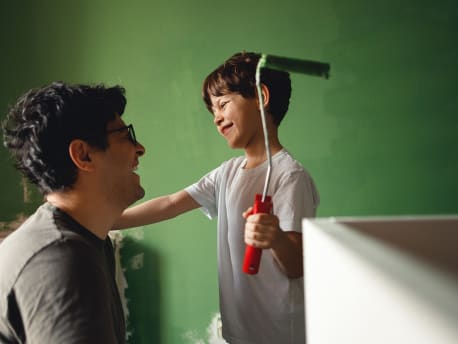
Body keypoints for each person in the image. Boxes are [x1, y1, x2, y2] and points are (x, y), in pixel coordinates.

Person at [115, 52, 319, 343]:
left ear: (261, 97)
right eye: (212, 110)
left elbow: (298, 264)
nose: (216, 117)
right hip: (239, 335)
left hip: (280, 335)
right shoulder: (228, 173)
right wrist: (106, 220)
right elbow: (171, 204)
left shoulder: (290, 176)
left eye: (223, 104)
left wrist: (275, 238)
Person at [0, 81, 146, 343]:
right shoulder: (60, 258)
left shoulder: (88, 241)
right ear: (84, 155)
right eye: (126, 136)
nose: (140, 148)